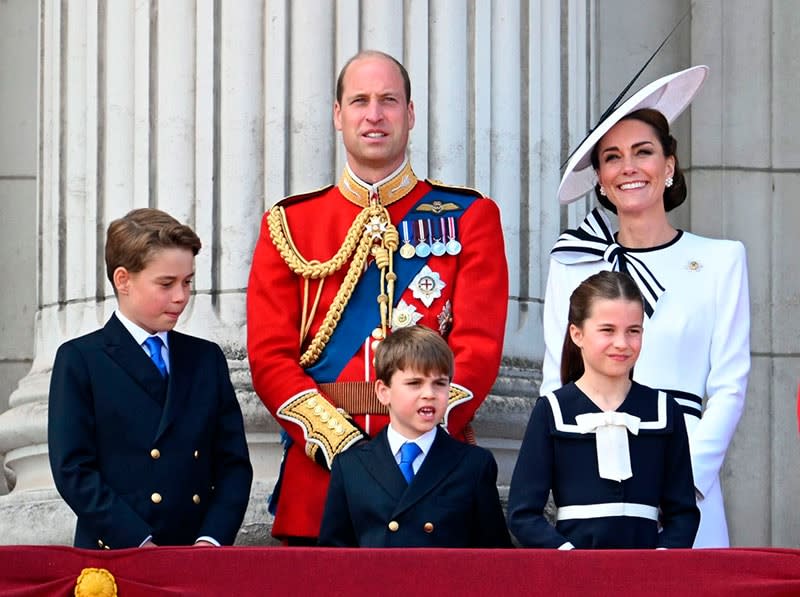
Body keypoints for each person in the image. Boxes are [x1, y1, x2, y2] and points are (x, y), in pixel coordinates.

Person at [247, 50, 508, 543]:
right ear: (337, 115)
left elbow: (478, 347)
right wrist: (342, 444)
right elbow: (269, 357)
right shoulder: (290, 224)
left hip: (433, 477)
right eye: (360, 100)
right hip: (322, 478)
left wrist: (417, 431)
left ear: (409, 115)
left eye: (388, 101)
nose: (374, 114)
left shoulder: (470, 216)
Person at [541, 66, 750, 548]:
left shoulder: (721, 260)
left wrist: (684, 487)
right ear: (600, 178)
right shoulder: (573, 262)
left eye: (643, 152)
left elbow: (728, 387)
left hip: (687, 479)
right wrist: (576, 478)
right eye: (612, 157)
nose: (628, 167)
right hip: (594, 478)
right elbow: (556, 382)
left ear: (670, 164)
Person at [48, 208, 253, 549]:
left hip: (195, 556)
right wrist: (137, 541)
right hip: (117, 553)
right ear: (123, 280)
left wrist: (211, 540)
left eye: (187, 282)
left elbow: (233, 465)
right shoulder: (81, 359)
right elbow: (74, 470)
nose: (181, 297)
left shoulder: (206, 359)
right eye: (166, 283)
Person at [509, 271, 699, 549]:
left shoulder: (665, 410)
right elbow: (523, 514)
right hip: (573, 579)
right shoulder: (552, 410)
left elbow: (683, 513)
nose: (622, 343)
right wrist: (567, 556)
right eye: (607, 330)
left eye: (633, 331)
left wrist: (660, 560)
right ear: (577, 334)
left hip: (648, 579)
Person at [318, 325, 511, 548]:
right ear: (383, 392)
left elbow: (494, 557)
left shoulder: (474, 465)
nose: (429, 394)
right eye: (414, 383)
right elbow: (334, 559)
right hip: (375, 582)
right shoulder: (350, 466)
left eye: (440, 383)